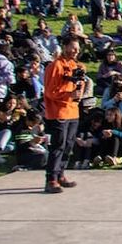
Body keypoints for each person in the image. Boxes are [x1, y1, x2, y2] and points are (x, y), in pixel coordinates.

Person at [43, 36, 84, 193]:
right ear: (65, 47)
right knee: (58, 146)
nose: (76, 51)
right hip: (58, 111)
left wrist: (79, 89)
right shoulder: (55, 66)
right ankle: (51, 178)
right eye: (73, 48)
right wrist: (70, 94)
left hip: (73, 111)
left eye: (78, 49)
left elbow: (78, 84)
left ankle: (60, 173)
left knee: (68, 145)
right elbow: (50, 91)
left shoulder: (74, 65)